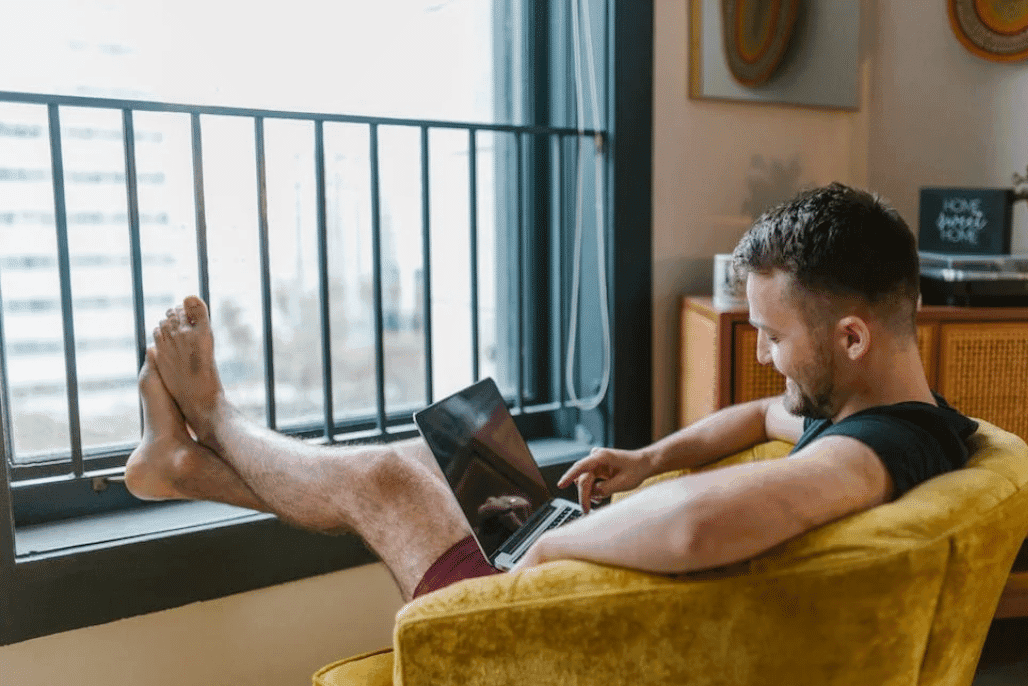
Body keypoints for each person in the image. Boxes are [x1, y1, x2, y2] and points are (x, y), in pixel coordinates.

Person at [124, 183, 978, 603]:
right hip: (586, 577)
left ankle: (214, 418)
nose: (765, 359)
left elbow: (697, 524)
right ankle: (182, 468)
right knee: (439, 454)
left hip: (537, 616)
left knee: (385, 479)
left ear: (852, 336)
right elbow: (763, 415)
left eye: (775, 336)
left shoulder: (873, 454)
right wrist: (648, 459)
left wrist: (555, 548)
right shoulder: (889, 412)